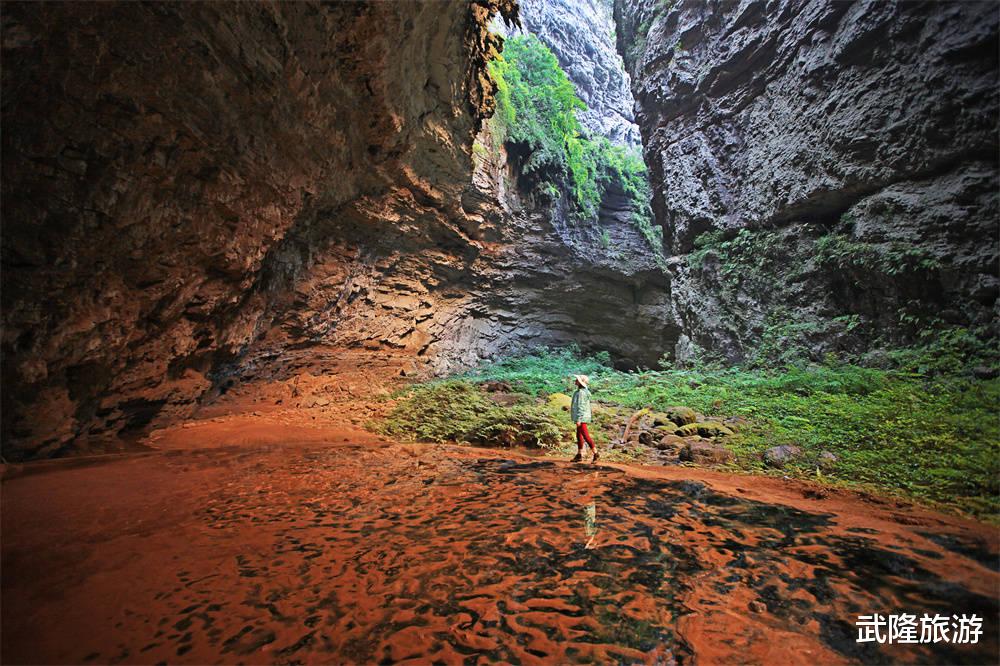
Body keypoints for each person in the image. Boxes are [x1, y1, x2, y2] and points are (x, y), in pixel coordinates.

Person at [570, 374, 598, 463]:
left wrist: (579, 419)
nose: (575, 381)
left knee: (585, 435)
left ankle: (596, 453)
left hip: (582, 417)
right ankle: (579, 454)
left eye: (577, 380)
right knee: (579, 435)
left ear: (580, 382)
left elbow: (581, 406)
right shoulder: (579, 392)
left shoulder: (581, 393)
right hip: (581, 416)